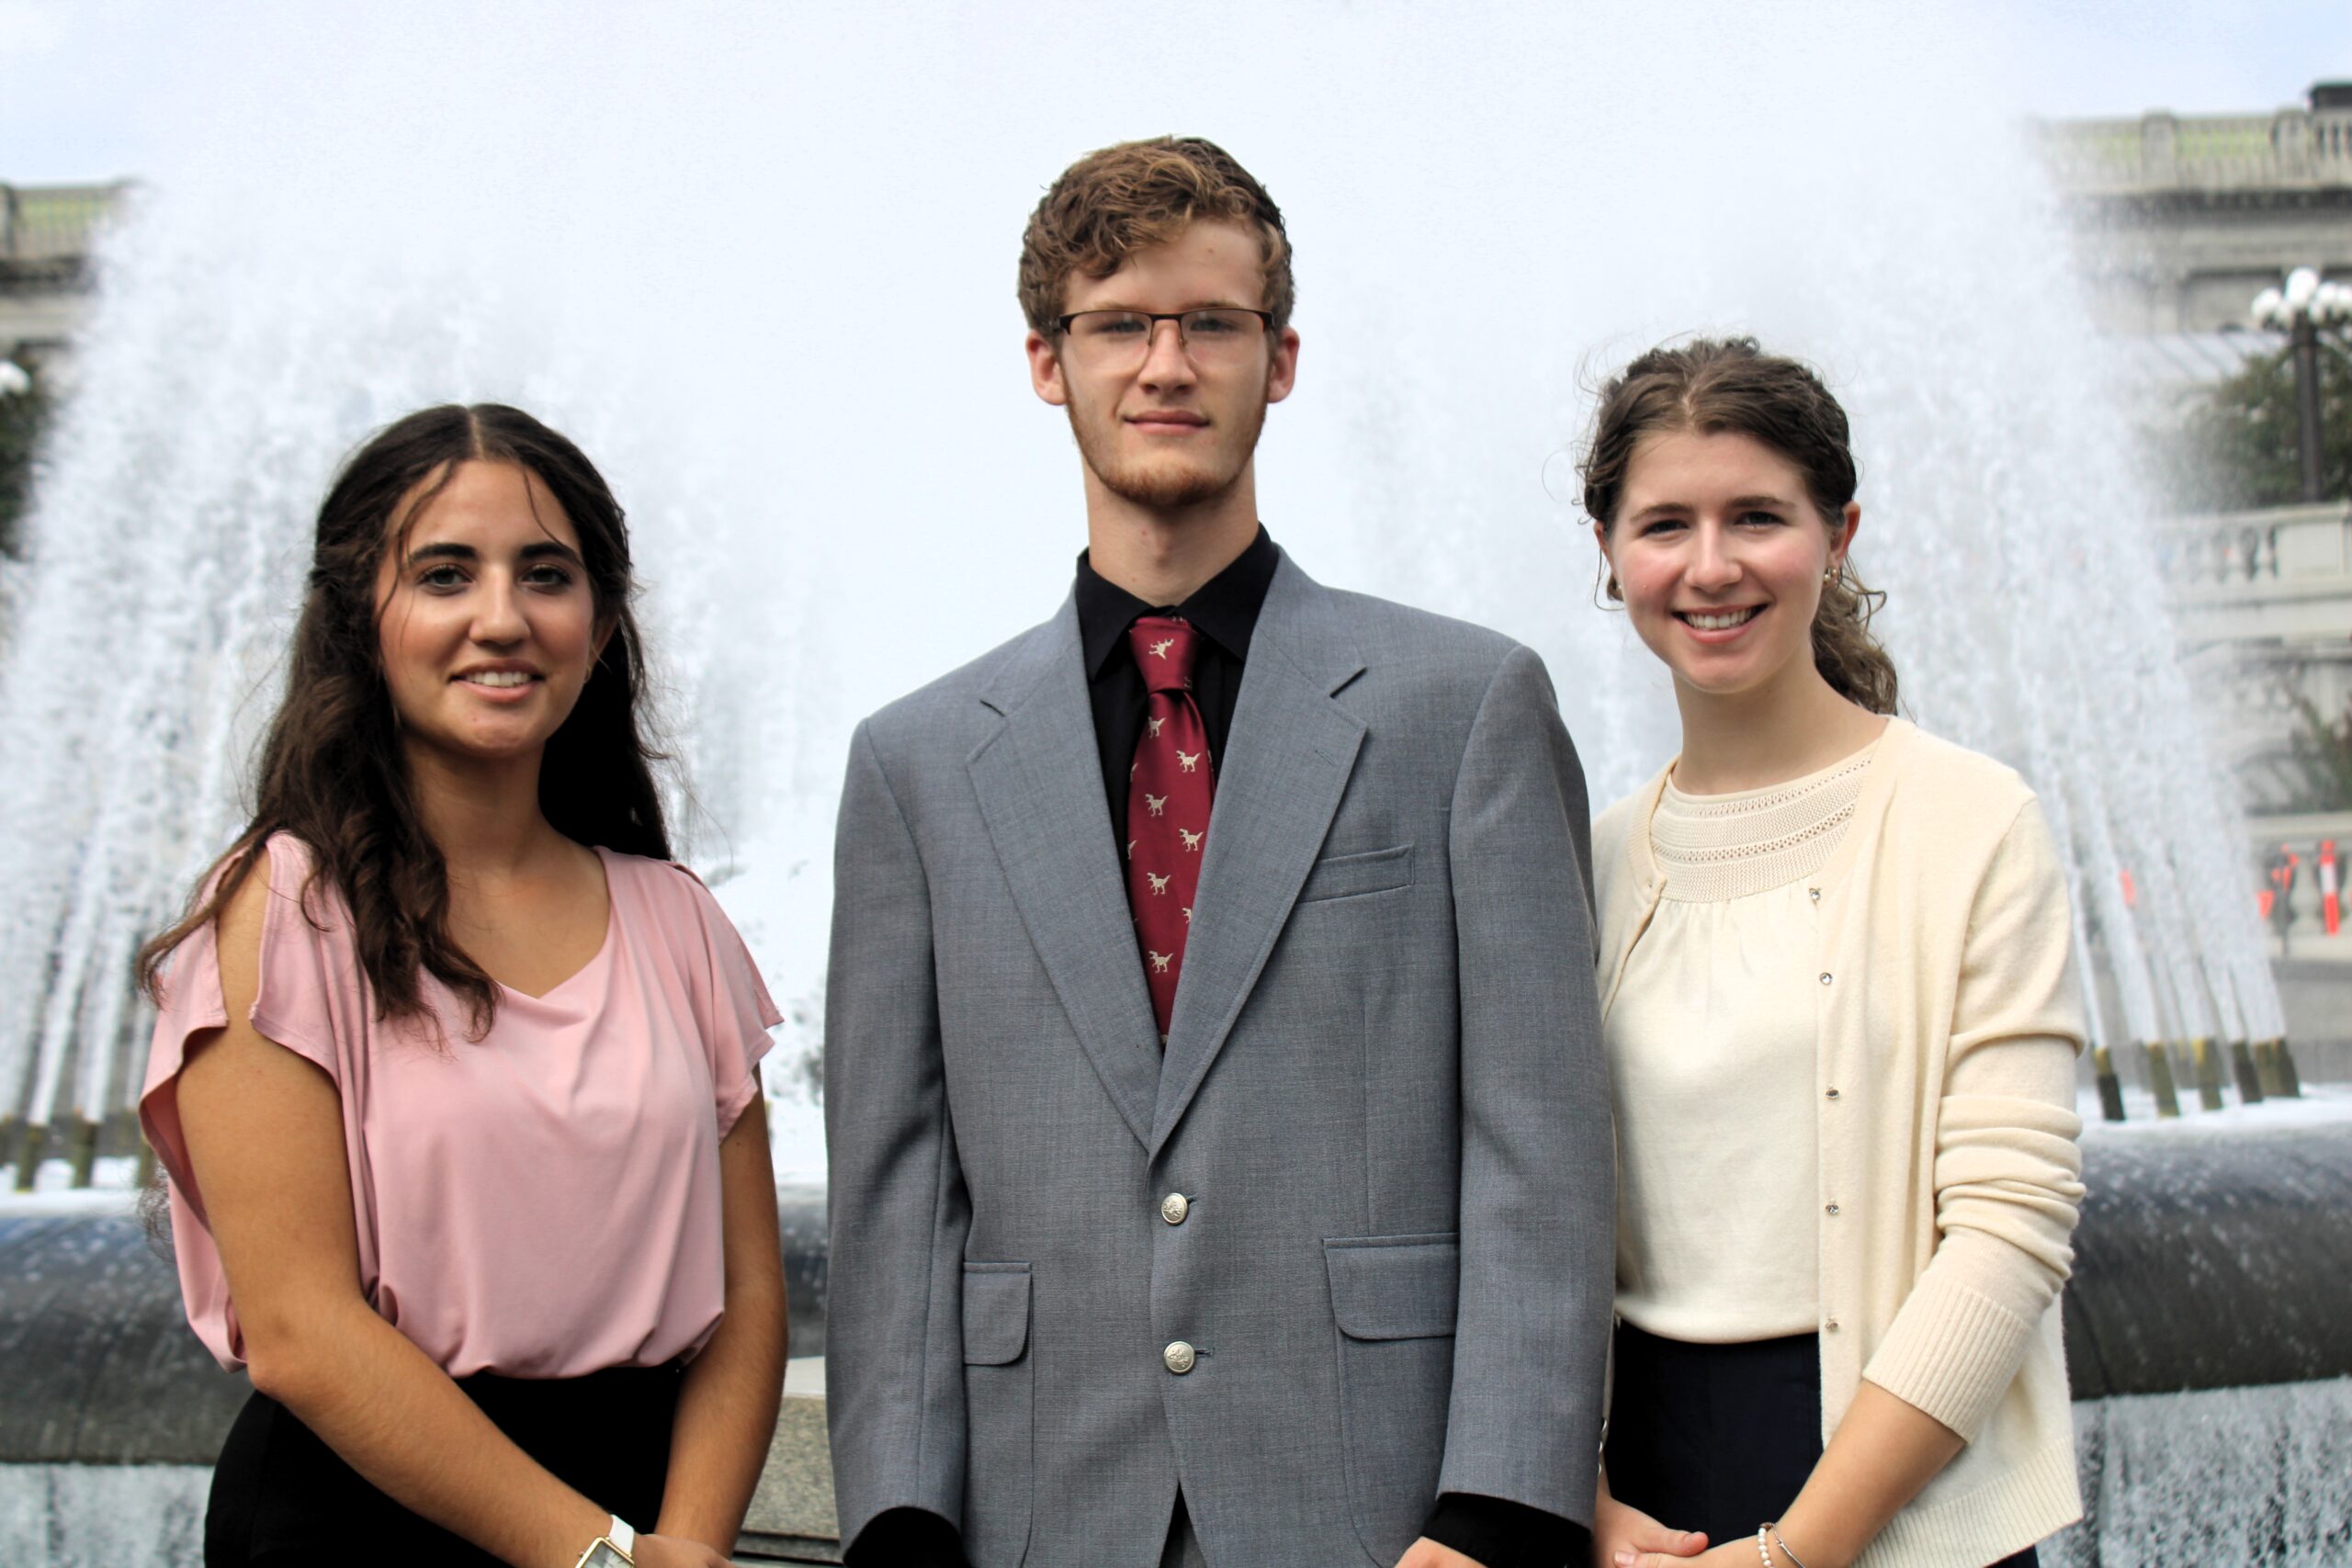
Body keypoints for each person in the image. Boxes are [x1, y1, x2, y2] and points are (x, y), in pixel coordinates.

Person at [822, 136, 1613, 1568]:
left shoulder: (1465, 708)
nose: (1166, 364)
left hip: (1382, 1513)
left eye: (1211, 323)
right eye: (1120, 324)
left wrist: (1496, 1514)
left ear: (1281, 359)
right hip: (1037, 1515)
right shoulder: (913, 763)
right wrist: (899, 1525)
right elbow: (896, 1193)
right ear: (1048, 362)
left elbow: (1538, 1139)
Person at [136, 404, 788, 1568]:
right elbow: (297, 1330)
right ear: (359, 620)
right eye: (445, 575)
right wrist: (599, 1561)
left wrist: (682, 1547)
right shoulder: (283, 912)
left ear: (599, 624)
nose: (502, 618)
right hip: (363, 1528)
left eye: (546, 575)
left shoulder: (678, 919)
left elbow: (746, 1303)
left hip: (645, 1517)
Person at [1578, 339, 2086, 1568]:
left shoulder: (1973, 822)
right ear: (1609, 552)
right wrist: (1578, 1497)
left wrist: (1797, 1551)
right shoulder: (1590, 858)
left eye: (1757, 516)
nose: (1711, 566)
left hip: (1897, 1495)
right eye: (1665, 525)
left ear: (1838, 534)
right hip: (1644, 1505)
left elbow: (2010, 1226)